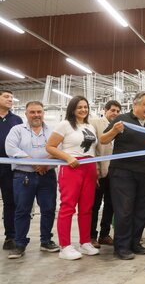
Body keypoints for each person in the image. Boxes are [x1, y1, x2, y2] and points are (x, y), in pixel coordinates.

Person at [100, 92, 145, 260]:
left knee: (141, 210)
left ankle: (135, 242)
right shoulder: (121, 119)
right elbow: (103, 139)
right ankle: (121, 246)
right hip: (123, 173)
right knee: (124, 210)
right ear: (135, 105)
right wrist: (114, 130)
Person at [46, 96, 99, 260]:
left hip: (89, 168)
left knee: (86, 207)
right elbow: (50, 146)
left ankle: (84, 242)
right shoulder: (65, 124)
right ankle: (65, 246)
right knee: (68, 206)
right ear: (72, 109)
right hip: (71, 167)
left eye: (85, 107)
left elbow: (93, 149)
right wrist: (67, 158)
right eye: (79, 107)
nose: (83, 110)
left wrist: (95, 169)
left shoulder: (90, 126)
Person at [5, 101, 59, 258]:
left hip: (47, 175)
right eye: (32, 112)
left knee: (48, 209)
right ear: (26, 114)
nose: (36, 115)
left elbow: (59, 148)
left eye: (39, 112)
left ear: (43, 113)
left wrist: (44, 164)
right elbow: (11, 149)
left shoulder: (52, 130)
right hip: (24, 176)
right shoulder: (17, 130)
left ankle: (46, 241)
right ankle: (20, 244)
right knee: (22, 210)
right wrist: (33, 162)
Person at [89, 100, 121, 248]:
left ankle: (104, 234)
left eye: (117, 111)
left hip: (114, 173)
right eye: (112, 110)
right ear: (105, 110)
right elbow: (91, 147)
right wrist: (95, 167)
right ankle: (91, 236)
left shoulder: (120, 126)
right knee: (95, 205)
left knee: (111, 204)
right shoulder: (95, 123)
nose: (115, 113)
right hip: (99, 171)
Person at [0, 89, 22, 250]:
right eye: (6, 96)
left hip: (9, 168)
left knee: (10, 202)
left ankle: (10, 236)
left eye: (11, 97)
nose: (10, 99)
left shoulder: (17, 120)